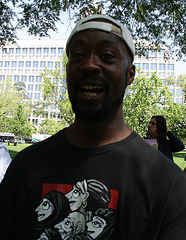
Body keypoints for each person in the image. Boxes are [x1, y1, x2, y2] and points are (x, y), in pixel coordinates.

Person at [0, 14, 186, 240]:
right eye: (78, 55)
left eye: (107, 56)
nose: (89, 64)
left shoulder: (167, 183)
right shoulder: (25, 168)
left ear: (130, 74)